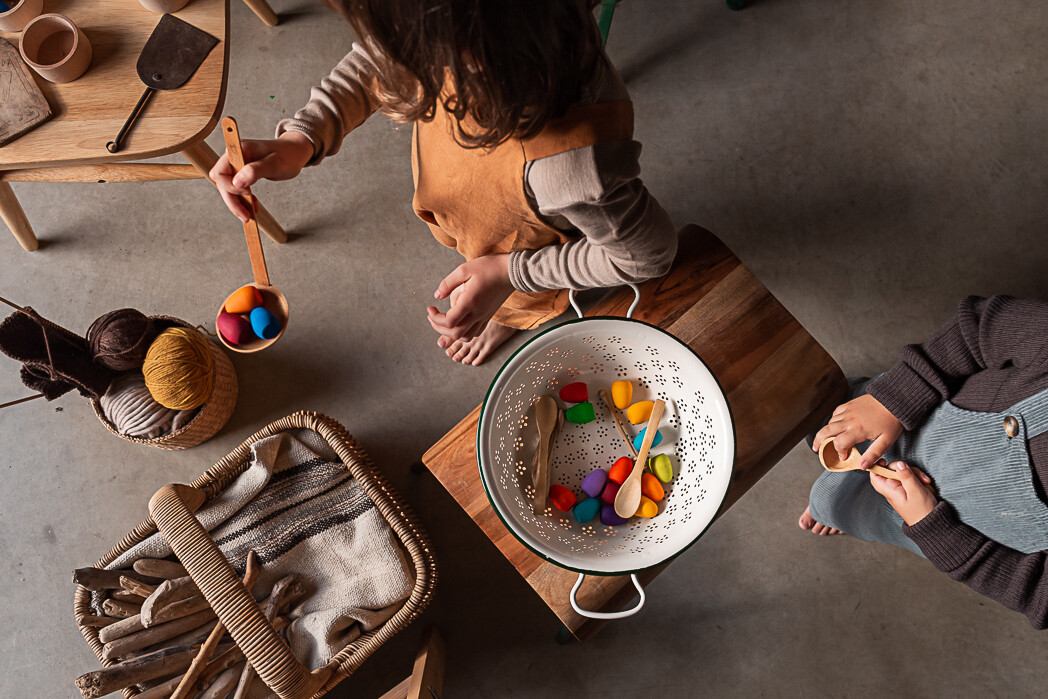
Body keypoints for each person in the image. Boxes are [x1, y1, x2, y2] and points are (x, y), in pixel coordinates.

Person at [209, 0, 677, 365]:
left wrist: (507, 274)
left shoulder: (574, 169)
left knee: (516, 295)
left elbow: (646, 254)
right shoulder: (460, 33)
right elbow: (376, 57)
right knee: (481, 254)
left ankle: (513, 315)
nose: (386, 49)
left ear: (466, 58)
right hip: (480, 204)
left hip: (525, 247)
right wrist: (304, 136)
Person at [801, 295, 1048, 629]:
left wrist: (929, 526)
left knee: (829, 502)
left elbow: (1035, 593)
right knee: (825, 415)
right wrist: (892, 400)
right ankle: (864, 394)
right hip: (922, 417)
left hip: (943, 521)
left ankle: (838, 505)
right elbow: (978, 328)